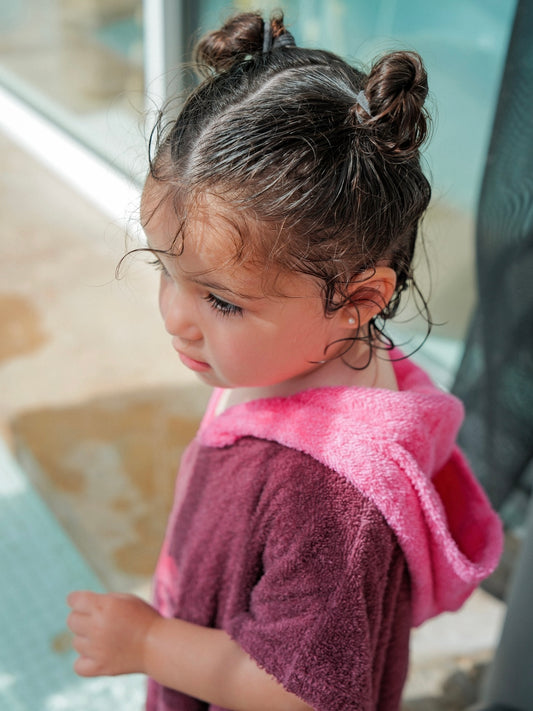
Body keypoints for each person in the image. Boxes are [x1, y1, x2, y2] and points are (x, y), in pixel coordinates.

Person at [66, 10, 503, 711]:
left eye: (221, 300)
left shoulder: (325, 491)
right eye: (165, 271)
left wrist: (149, 643)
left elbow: (300, 687)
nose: (175, 317)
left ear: (358, 299)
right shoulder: (291, 356)